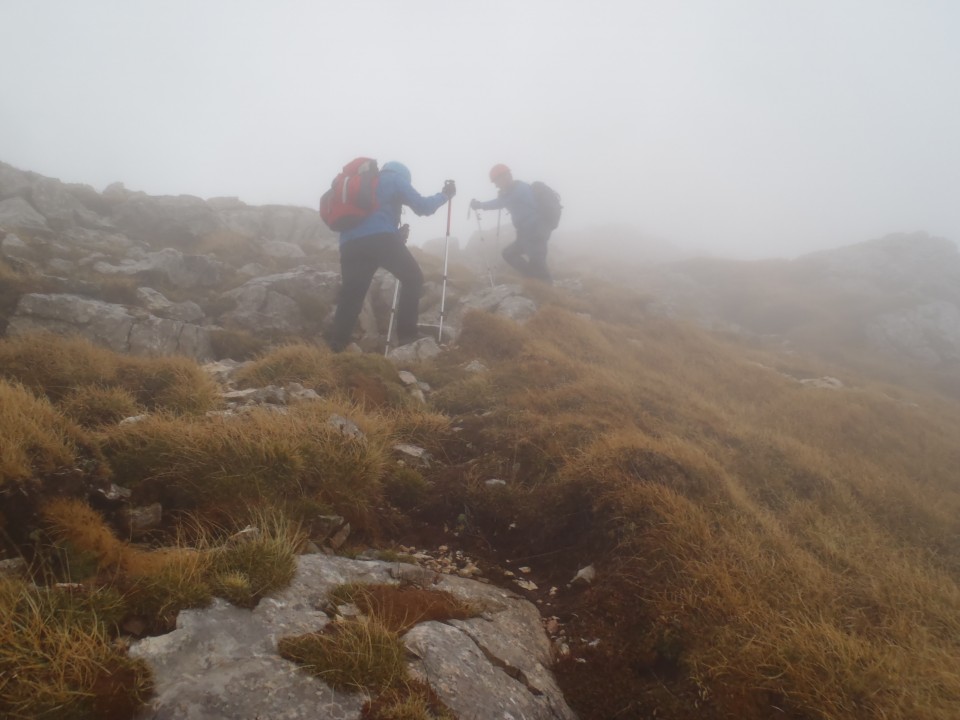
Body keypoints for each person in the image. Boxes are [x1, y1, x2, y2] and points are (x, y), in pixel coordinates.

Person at [328, 162, 455, 352]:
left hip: (349, 244)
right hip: (380, 238)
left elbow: (369, 219)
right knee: (413, 279)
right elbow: (423, 207)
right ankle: (407, 334)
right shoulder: (394, 179)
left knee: (352, 293)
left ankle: (336, 344)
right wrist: (445, 195)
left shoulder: (367, 183)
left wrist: (395, 234)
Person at [470, 164, 552, 284]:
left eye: (496, 182)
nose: (496, 185)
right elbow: (504, 201)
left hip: (535, 232)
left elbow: (500, 203)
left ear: (505, 177)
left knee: (538, 264)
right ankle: (534, 281)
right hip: (526, 233)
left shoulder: (518, 190)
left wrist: (480, 205)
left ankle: (549, 293)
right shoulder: (515, 188)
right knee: (509, 254)